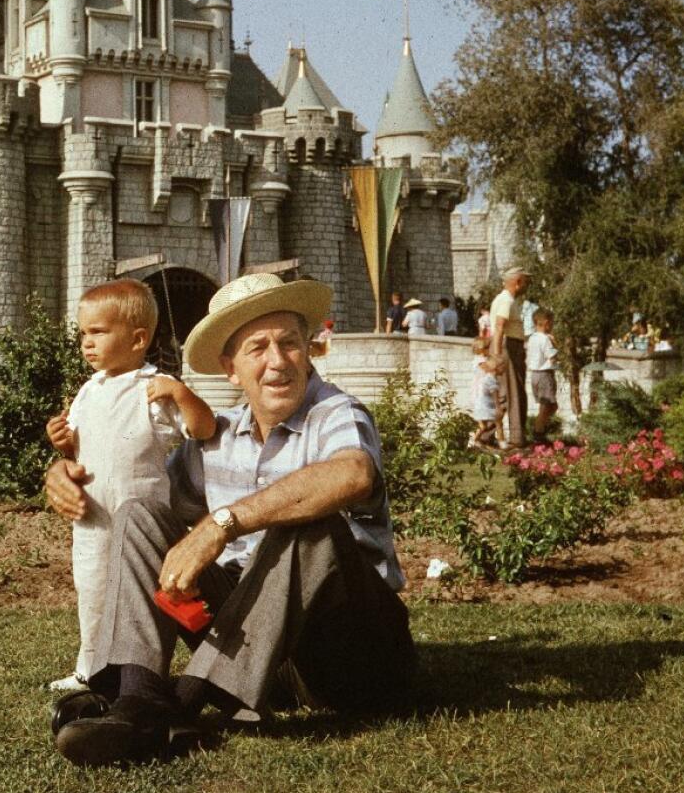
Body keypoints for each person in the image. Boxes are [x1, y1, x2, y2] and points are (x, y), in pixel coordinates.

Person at [45, 272, 414, 767]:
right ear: (231, 369)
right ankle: (138, 695)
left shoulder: (336, 412)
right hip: (263, 656)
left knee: (311, 523)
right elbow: (142, 500)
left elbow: (351, 475)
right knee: (140, 513)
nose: (277, 362)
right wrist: (65, 473)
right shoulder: (217, 438)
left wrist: (222, 524)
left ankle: (184, 700)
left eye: (289, 343)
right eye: (257, 348)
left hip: (350, 652)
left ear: (309, 351)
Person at [44, 279, 216, 691]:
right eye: (84, 333)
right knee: (93, 590)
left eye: (99, 332)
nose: (87, 343)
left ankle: (141, 668)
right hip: (92, 516)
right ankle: (91, 667)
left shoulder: (153, 389)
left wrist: (182, 392)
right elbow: (81, 453)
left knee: (139, 599)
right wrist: (65, 444)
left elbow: (203, 427)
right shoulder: (89, 390)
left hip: (139, 521)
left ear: (139, 338)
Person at [490, 267, 529, 447]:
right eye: (525, 281)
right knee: (512, 393)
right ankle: (516, 438)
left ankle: (486, 436)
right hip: (508, 347)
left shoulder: (506, 299)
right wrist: (497, 354)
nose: (527, 285)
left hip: (510, 346)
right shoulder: (506, 300)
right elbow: (499, 327)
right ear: (518, 281)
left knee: (508, 393)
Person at [525, 309, 558, 445]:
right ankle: (538, 433)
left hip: (534, 375)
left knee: (549, 406)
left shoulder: (532, 338)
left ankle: (540, 430)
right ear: (546, 323)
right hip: (544, 374)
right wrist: (555, 343)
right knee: (547, 407)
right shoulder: (545, 339)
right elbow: (553, 356)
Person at [469, 337, 506, 450]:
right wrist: (497, 362)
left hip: (487, 391)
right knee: (492, 421)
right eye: (485, 347)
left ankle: (474, 441)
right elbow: (489, 369)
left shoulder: (485, 358)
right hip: (481, 393)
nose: (487, 349)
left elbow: (497, 370)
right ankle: (499, 442)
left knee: (490, 422)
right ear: (479, 349)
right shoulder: (478, 360)